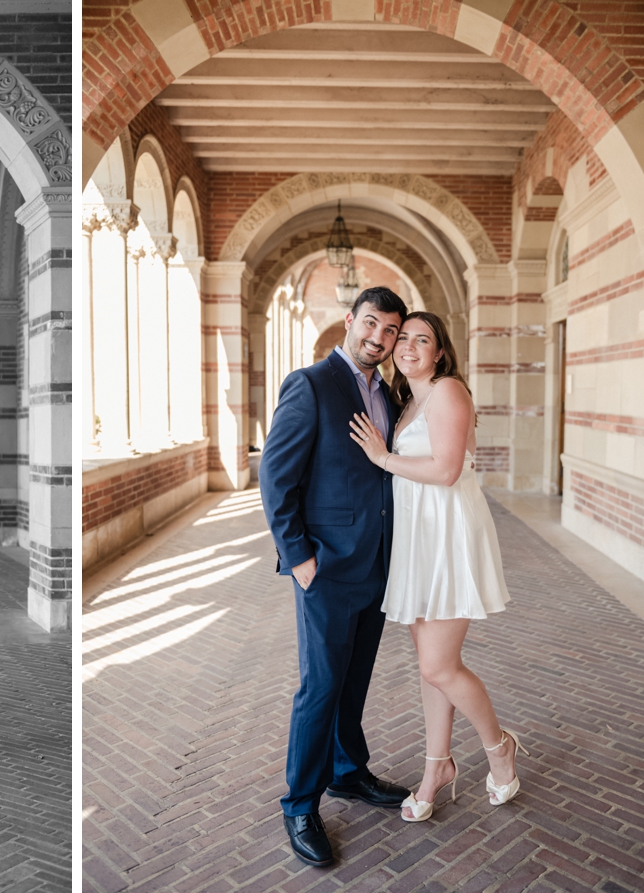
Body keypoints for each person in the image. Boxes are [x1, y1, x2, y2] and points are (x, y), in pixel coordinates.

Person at [348, 311, 527, 823]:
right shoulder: (408, 400)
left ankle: (499, 748)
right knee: (431, 668)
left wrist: (382, 458)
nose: (407, 346)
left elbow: (447, 470)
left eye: (421, 340)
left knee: (438, 666)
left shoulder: (448, 391)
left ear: (440, 352)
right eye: (401, 338)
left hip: (448, 538)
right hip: (419, 540)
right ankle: (436, 769)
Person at [258, 286, 412, 868]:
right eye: (370, 324)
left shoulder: (388, 394)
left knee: (354, 680)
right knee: (320, 686)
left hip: (377, 564)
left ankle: (348, 773)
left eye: (390, 331)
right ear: (350, 321)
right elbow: (276, 478)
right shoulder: (311, 384)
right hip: (325, 567)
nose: (378, 338)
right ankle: (299, 802)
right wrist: (300, 559)